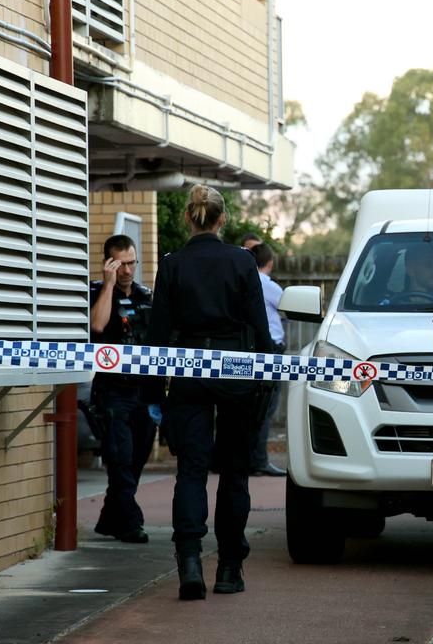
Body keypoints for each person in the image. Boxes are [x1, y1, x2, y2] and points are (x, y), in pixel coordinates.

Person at [147, 184, 275, 601]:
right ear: (223, 219)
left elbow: (157, 334)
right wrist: (266, 376)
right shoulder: (242, 261)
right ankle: (229, 568)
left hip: (186, 372)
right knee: (235, 472)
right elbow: (259, 326)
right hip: (237, 372)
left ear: (189, 217)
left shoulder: (172, 265)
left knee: (191, 471)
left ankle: (188, 563)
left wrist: (155, 396)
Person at [89, 235, 159, 544]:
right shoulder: (98, 293)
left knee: (136, 460)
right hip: (112, 392)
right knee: (120, 458)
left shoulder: (147, 296)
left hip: (143, 391)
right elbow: (98, 327)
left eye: (132, 263)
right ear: (109, 264)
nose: (128, 271)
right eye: (121, 265)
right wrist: (107, 285)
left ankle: (109, 519)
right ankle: (132, 522)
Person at [248, 242, 287, 477]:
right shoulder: (270, 287)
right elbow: (287, 309)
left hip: (251, 348)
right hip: (272, 350)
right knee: (267, 407)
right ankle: (260, 461)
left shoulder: (243, 283)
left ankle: (249, 458)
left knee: (252, 407)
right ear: (270, 263)